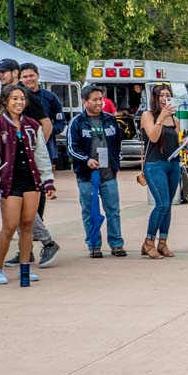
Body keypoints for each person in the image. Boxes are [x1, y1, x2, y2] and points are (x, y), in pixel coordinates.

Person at [0, 58, 60, 268]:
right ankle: (8, 264)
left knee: (25, 221)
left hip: (28, 174)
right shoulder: (0, 116)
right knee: (12, 222)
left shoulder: (31, 103)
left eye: (3, 72)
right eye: (14, 99)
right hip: (8, 176)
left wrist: (43, 171)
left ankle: (33, 257)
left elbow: (45, 128)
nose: (0, 75)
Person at [67, 85, 127, 258]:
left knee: (113, 210)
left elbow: (118, 141)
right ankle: (94, 244)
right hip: (87, 176)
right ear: (84, 101)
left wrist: (117, 161)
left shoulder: (109, 119)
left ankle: (117, 244)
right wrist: (86, 159)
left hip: (108, 175)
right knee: (89, 211)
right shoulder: (77, 122)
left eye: (101, 99)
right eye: (94, 100)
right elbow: (72, 148)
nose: (99, 103)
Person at [139, 85, 182, 259]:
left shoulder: (175, 120)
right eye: (161, 95)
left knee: (168, 205)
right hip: (155, 165)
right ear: (155, 98)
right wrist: (161, 118)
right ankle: (148, 242)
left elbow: (174, 140)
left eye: (168, 95)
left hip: (172, 164)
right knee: (161, 204)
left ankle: (162, 242)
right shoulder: (147, 115)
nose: (165, 98)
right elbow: (154, 137)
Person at [20, 63, 66, 169]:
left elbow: (61, 122)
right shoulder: (16, 97)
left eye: (31, 75)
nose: (29, 79)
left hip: (47, 145)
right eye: (25, 77)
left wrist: (46, 132)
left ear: (38, 75)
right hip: (23, 143)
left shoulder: (50, 97)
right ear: (20, 78)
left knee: (46, 179)